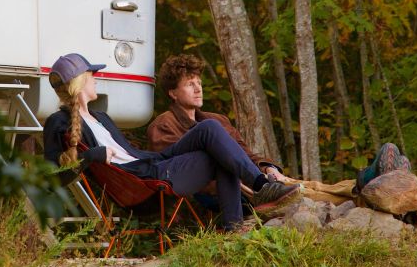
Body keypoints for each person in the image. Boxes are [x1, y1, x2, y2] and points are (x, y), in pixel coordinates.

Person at [43, 53, 301, 232]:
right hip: (145, 181)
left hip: (152, 164)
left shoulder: (101, 117)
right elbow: (52, 178)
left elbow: (131, 153)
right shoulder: (58, 122)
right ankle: (250, 202)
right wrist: (92, 156)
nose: (97, 78)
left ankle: (247, 204)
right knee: (214, 144)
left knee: (210, 127)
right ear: (81, 82)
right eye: (92, 74)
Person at [147, 54, 294, 190]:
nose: (198, 89)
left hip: (250, 184)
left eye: (199, 83)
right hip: (215, 192)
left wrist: (269, 168)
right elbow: (181, 174)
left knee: (304, 192)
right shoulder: (163, 125)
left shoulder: (218, 120)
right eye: (190, 84)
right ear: (173, 93)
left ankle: (268, 186)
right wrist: (244, 186)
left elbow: (246, 156)